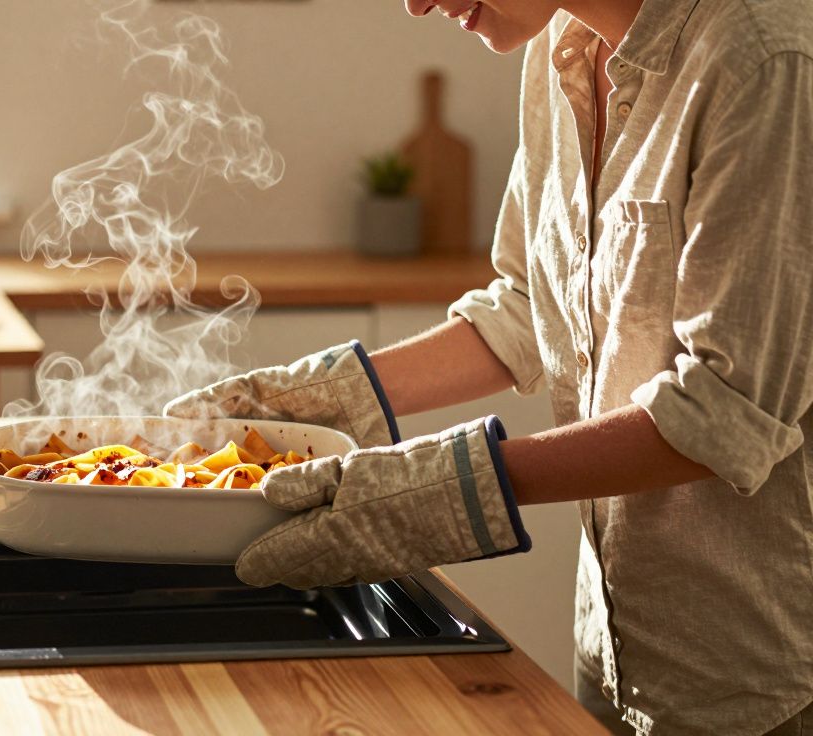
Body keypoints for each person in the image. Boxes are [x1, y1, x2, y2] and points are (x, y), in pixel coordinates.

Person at [164, 0, 813, 733]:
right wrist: (323, 400)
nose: (414, 3)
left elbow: (726, 410)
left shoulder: (767, 59)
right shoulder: (560, 46)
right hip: (614, 645)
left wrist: (438, 494)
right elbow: (532, 302)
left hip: (757, 678)